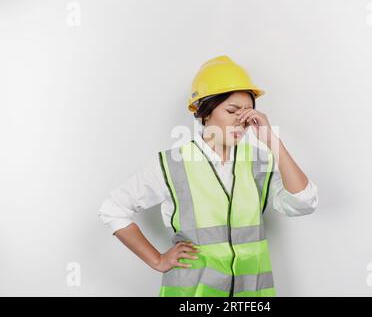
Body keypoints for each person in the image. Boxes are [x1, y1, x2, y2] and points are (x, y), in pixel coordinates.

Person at [97, 55, 319, 297]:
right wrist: (157, 260)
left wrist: (272, 142)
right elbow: (113, 209)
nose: (242, 120)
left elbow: (304, 203)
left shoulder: (259, 161)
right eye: (232, 110)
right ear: (205, 112)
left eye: (248, 112)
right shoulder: (172, 164)